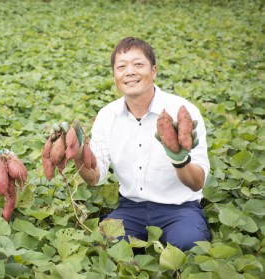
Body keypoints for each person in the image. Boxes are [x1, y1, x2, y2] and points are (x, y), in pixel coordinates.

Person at [71, 37, 211, 251]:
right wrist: (79, 154)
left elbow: (197, 183)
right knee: (108, 245)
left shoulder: (183, 112)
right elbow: (94, 178)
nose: (129, 72)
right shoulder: (107, 116)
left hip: (179, 208)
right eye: (121, 67)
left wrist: (179, 159)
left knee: (190, 245)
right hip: (131, 208)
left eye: (138, 64)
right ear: (115, 76)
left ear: (153, 71)